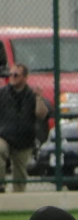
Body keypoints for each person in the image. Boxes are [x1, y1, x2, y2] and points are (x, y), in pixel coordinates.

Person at [0, 64, 48, 193]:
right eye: (10, 74)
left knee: (20, 172)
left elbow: (42, 114)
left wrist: (39, 97)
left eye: (16, 75)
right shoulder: (2, 93)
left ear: (25, 77)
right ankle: (1, 185)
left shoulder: (32, 95)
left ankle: (18, 200)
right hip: (4, 135)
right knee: (0, 149)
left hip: (24, 138)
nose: (12, 77)